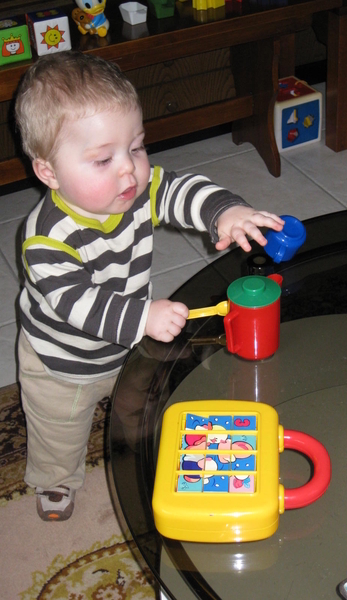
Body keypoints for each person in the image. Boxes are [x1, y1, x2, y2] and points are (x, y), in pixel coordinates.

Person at [14, 51, 284, 521]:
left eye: (136, 148)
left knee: (141, 404)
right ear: (49, 173)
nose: (129, 171)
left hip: (127, 345)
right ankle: (55, 478)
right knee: (59, 429)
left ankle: (145, 451)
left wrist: (225, 211)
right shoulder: (45, 238)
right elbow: (77, 303)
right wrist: (142, 316)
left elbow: (182, 190)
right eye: (103, 159)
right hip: (62, 361)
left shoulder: (137, 190)